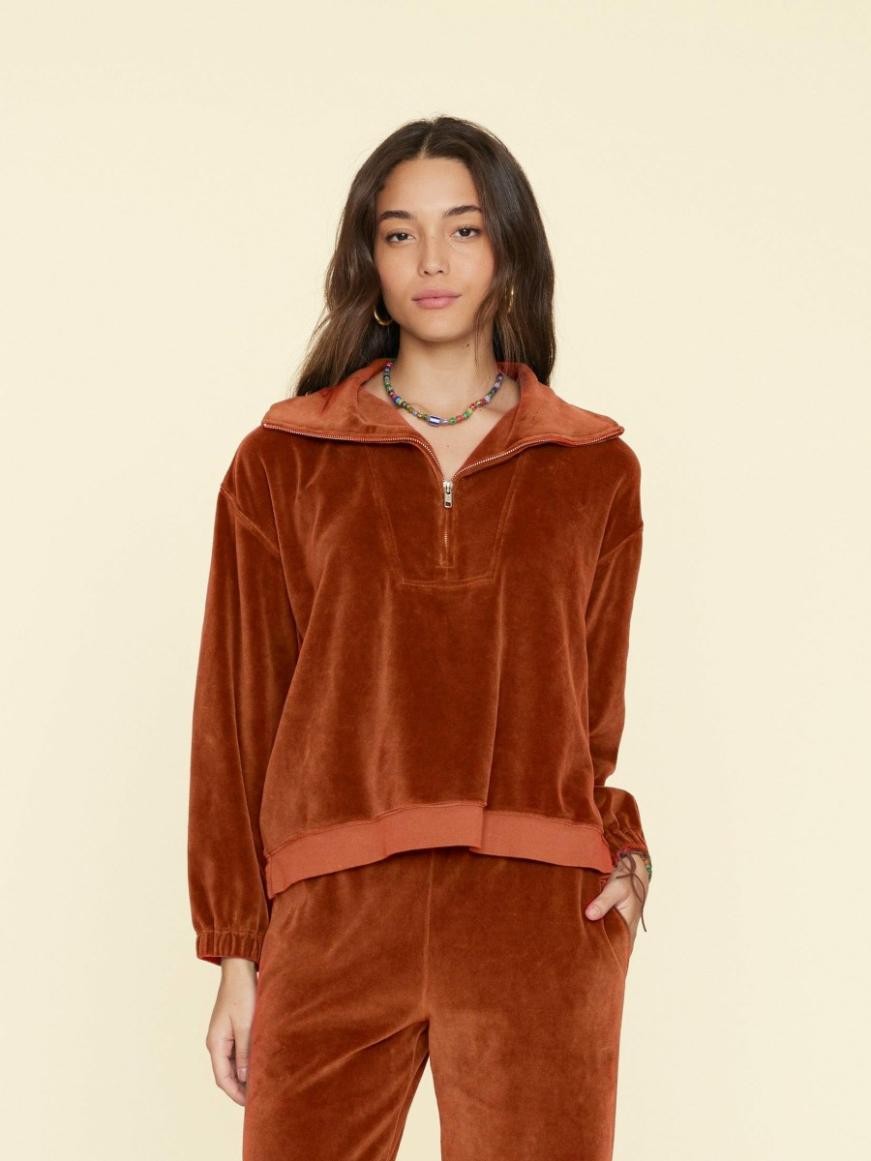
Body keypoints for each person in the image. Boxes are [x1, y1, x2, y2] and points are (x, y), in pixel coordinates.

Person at [187, 114, 652, 1161]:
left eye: (463, 229)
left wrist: (620, 841)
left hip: (536, 906)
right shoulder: (282, 461)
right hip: (334, 908)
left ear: (509, 252)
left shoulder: (594, 469)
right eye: (400, 234)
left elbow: (590, 714)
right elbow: (235, 713)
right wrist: (235, 949)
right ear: (369, 260)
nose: (432, 260)